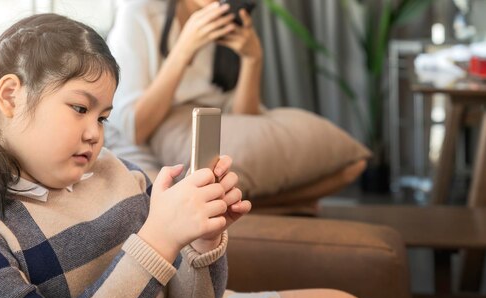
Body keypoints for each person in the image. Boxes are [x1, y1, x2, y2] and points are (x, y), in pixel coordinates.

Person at [0, 13, 365, 298]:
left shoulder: (121, 173)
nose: (94, 134)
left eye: (102, 116)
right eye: (80, 108)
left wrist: (201, 243)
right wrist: (157, 239)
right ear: (10, 95)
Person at [106, 0, 370, 199]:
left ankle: (254, 208)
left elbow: (244, 118)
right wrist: (185, 48)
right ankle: (272, 207)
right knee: (154, 204)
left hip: (204, 130)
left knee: (351, 167)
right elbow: (134, 128)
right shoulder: (140, 12)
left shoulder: (229, 17)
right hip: (143, 140)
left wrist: (252, 59)